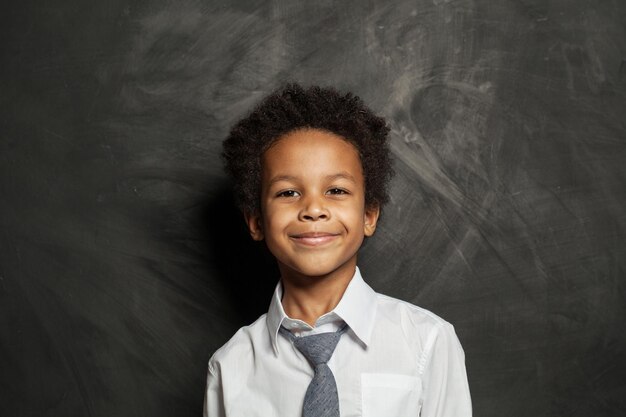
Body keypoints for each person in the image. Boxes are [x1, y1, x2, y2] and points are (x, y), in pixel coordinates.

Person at [203, 83, 472, 417]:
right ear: (256, 221)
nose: (314, 209)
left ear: (369, 216)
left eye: (336, 190)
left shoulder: (427, 343)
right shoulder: (231, 367)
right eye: (288, 193)